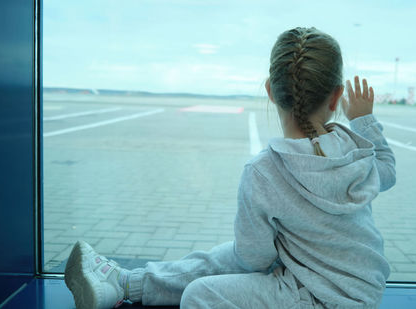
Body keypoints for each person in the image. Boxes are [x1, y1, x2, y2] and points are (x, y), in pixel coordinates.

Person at [65, 27, 395, 309]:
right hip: (363, 290)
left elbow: (253, 261)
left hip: (318, 298)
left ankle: (126, 284)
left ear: (270, 90)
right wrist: (364, 120)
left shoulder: (264, 170)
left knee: (199, 295)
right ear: (337, 97)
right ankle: (126, 284)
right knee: (226, 255)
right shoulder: (356, 149)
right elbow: (388, 172)